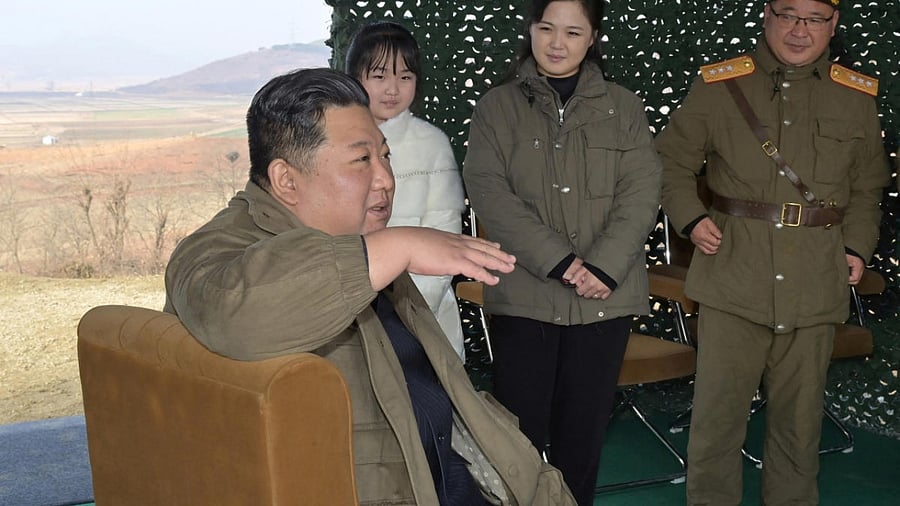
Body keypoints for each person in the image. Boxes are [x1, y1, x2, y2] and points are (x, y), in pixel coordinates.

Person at [163, 67, 576, 506]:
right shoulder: (214, 251)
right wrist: (396, 246)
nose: (385, 180)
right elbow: (238, 313)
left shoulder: (357, 241)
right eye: (362, 160)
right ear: (286, 180)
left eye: (386, 156)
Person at [655, 1, 891, 504]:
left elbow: (869, 187)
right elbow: (669, 162)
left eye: (814, 19)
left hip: (815, 279)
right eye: (788, 15)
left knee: (799, 430)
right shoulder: (721, 86)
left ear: (833, 25)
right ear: (766, 16)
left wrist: (857, 246)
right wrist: (691, 220)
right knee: (716, 426)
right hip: (733, 276)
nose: (800, 31)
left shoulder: (857, 97)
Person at [462, 0, 663, 503]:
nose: (556, 43)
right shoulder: (496, 107)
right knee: (519, 434)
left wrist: (602, 267)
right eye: (546, 28)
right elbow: (488, 191)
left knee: (583, 437)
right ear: (530, 30)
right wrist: (559, 261)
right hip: (525, 290)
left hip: (604, 296)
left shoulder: (624, 107)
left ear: (592, 37)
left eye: (573, 32)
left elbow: (642, 192)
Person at [345, 21, 468, 360]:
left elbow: (445, 238)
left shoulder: (432, 143)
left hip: (419, 314)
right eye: (380, 75)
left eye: (405, 77)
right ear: (355, 77)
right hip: (345, 308)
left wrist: (403, 315)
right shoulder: (332, 141)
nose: (392, 89)